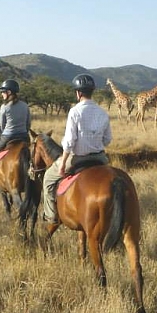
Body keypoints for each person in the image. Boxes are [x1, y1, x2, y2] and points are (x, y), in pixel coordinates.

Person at [42, 74, 112, 224]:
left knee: (48, 178)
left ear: (78, 93)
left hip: (78, 158)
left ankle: (51, 216)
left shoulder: (75, 111)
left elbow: (69, 142)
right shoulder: (103, 113)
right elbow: (107, 140)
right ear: (91, 92)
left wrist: (62, 163)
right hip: (100, 158)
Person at [0, 79, 31, 184]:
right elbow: (28, 123)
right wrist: (24, 131)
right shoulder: (25, 105)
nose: (1, 94)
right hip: (24, 136)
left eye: (3, 92)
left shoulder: (4, 107)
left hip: (8, 136)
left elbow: (2, 125)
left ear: (9, 92)